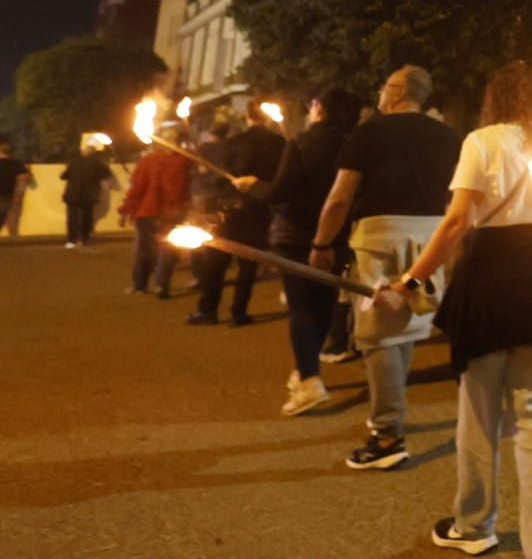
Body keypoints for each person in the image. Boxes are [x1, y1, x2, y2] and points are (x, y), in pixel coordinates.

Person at [391, 61, 532, 557]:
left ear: (495, 99)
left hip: (488, 286)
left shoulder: (482, 141)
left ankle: (474, 526)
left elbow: (458, 222)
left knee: (478, 417)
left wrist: (412, 278)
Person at [310, 65, 459, 471]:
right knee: (406, 324)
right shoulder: (449, 138)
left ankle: (388, 434)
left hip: (380, 239)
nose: (378, 93)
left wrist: (321, 242)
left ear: (395, 91)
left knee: (376, 334)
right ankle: (390, 417)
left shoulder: (369, 133)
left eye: (383, 87)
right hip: (431, 238)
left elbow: (340, 198)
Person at [232, 88, 363, 416]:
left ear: (318, 107)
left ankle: (309, 381)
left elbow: (279, 192)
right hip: (336, 238)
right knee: (323, 304)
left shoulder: (301, 143)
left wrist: (252, 186)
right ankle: (305, 368)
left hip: (297, 237)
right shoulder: (354, 146)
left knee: (302, 307)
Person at [190, 104, 284, 326]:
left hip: (231, 209)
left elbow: (223, 177)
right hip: (261, 208)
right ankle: (238, 313)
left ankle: (208, 310)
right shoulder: (280, 143)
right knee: (248, 264)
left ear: (247, 116)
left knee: (216, 260)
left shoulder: (235, 142)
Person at [118, 123, 191, 296]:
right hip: (173, 212)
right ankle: (162, 285)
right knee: (168, 249)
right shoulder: (185, 161)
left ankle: (140, 285)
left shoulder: (149, 160)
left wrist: (126, 210)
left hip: (148, 212)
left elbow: (137, 188)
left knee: (144, 249)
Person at [60, 136, 113, 248]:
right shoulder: (97, 162)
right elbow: (106, 175)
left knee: (72, 218)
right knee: (87, 217)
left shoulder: (74, 161)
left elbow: (63, 176)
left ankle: (71, 240)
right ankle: (84, 238)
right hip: (89, 194)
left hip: (72, 193)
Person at [0, 134, 32, 237]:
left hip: (9, 198)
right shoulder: (17, 164)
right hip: (13, 198)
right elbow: (29, 183)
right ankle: (15, 249)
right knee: (13, 229)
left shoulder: (17, 164)